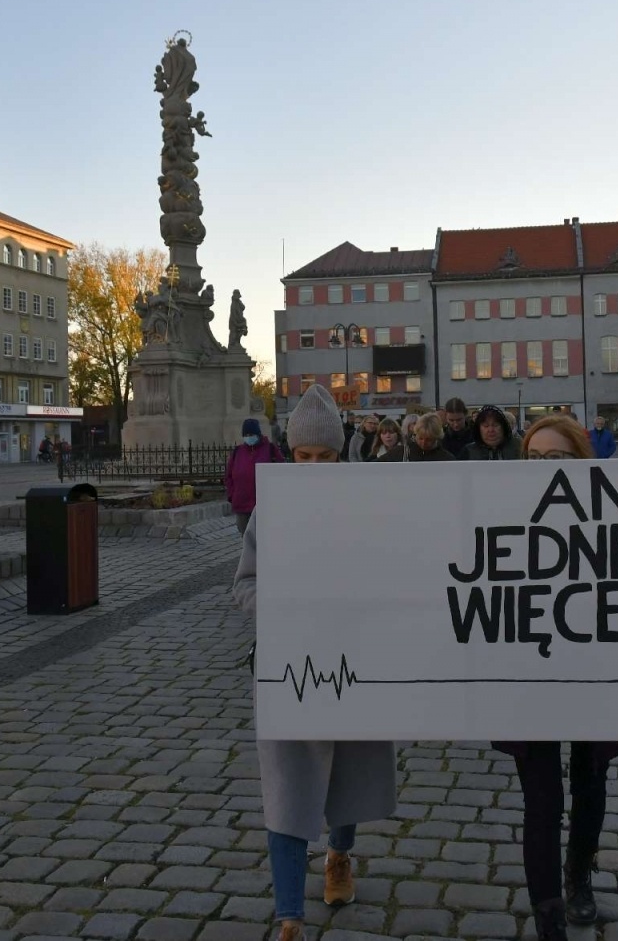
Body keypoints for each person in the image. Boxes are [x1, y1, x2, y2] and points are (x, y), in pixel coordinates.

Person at [232, 384, 398, 941]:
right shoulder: (269, 510)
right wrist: (284, 605)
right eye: (304, 457)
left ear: (341, 454)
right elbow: (245, 586)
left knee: (346, 775)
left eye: (325, 457)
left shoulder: (368, 508)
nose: (313, 467)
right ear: (290, 455)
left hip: (354, 664)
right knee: (287, 783)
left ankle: (339, 855)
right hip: (289, 668)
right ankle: (289, 915)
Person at [494, 414, 618, 941]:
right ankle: (549, 914)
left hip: (592, 666)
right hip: (527, 668)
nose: (544, 470)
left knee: (589, 777)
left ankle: (579, 875)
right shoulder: (502, 510)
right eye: (534, 461)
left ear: (582, 462)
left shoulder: (609, 513)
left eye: (557, 461)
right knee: (541, 794)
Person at [225, 418, 285, 535]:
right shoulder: (238, 451)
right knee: (246, 536)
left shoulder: (270, 449)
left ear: (258, 434)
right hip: (241, 504)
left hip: (263, 504)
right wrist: (232, 495)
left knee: (264, 537)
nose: (249, 437)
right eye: (246, 434)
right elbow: (229, 476)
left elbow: (281, 472)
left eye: (251, 434)